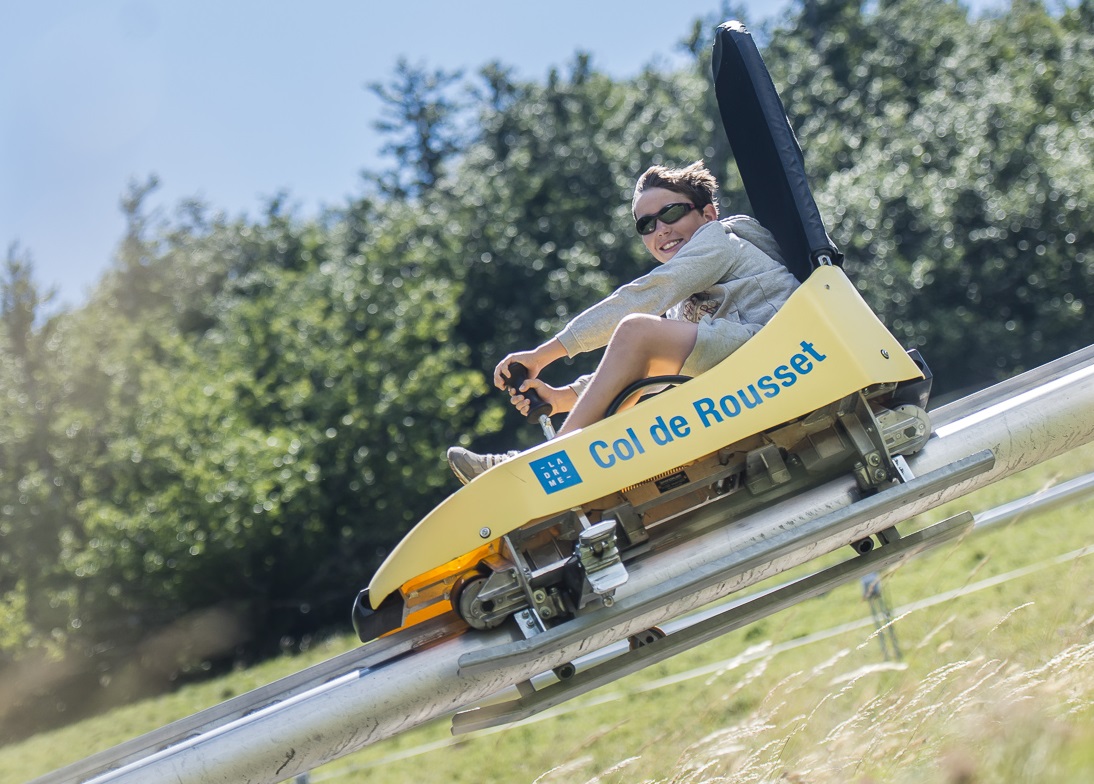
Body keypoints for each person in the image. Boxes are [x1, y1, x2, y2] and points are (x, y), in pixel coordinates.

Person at [447, 160, 801, 484]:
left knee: (636, 328)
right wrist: (560, 398)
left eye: (672, 213)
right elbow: (642, 369)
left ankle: (547, 465)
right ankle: (553, 472)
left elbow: (643, 297)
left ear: (707, 214)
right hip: (751, 377)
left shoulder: (719, 240)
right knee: (643, 348)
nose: (660, 229)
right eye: (646, 225)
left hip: (786, 350)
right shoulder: (680, 309)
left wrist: (543, 355)